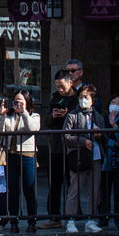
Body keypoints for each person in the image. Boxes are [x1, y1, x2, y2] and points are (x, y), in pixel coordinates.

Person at [0, 91, 40, 233]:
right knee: (13, 190)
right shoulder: (9, 117)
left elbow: (33, 129)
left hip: (27, 155)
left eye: (20, 101)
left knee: (29, 189)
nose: (17, 104)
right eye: (15, 101)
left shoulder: (34, 116)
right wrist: (1, 115)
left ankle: (31, 221)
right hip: (11, 155)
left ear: (27, 102)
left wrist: (24, 112)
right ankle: (14, 222)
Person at [62, 85, 104, 233]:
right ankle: (71, 220)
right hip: (79, 156)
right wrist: (82, 141)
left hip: (95, 155)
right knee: (75, 189)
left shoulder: (97, 116)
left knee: (94, 190)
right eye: (81, 97)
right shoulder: (72, 115)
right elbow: (66, 136)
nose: (83, 100)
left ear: (92, 100)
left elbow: (105, 135)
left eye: (86, 97)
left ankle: (91, 220)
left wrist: (100, 135)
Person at [43, 69, 79, 227]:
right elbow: (46, 121)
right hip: (56, 145)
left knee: (73, 181)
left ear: (70, 83)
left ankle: (74, 214)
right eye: (58, 86)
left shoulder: (78, 97)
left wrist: (68, 114)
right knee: (54, 182)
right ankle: (54, 216)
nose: (60, 90)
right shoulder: (55, 98)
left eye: (63, 86)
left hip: (72, 145)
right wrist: (53, 116)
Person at [100, 94, 119, 230]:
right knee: (104, 192)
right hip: (105, 160)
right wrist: (113, 142)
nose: (115, 105)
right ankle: (103, 218)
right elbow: (101, 137)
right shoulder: (103, 119)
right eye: (113, 102)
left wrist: (114, 126)